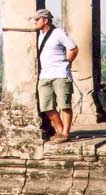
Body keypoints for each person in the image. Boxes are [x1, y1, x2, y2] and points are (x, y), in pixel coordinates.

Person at [33, 9, 79, 143]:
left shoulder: (58, 33)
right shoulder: (40, 35)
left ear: (45, 20)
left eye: (37, 19)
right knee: (46, 106)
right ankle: (59, 129)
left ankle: (65, 133)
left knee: (64, 105)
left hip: (60, 74)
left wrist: (67, 63)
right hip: (45, 76)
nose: (35, 22)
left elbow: (74, 48)